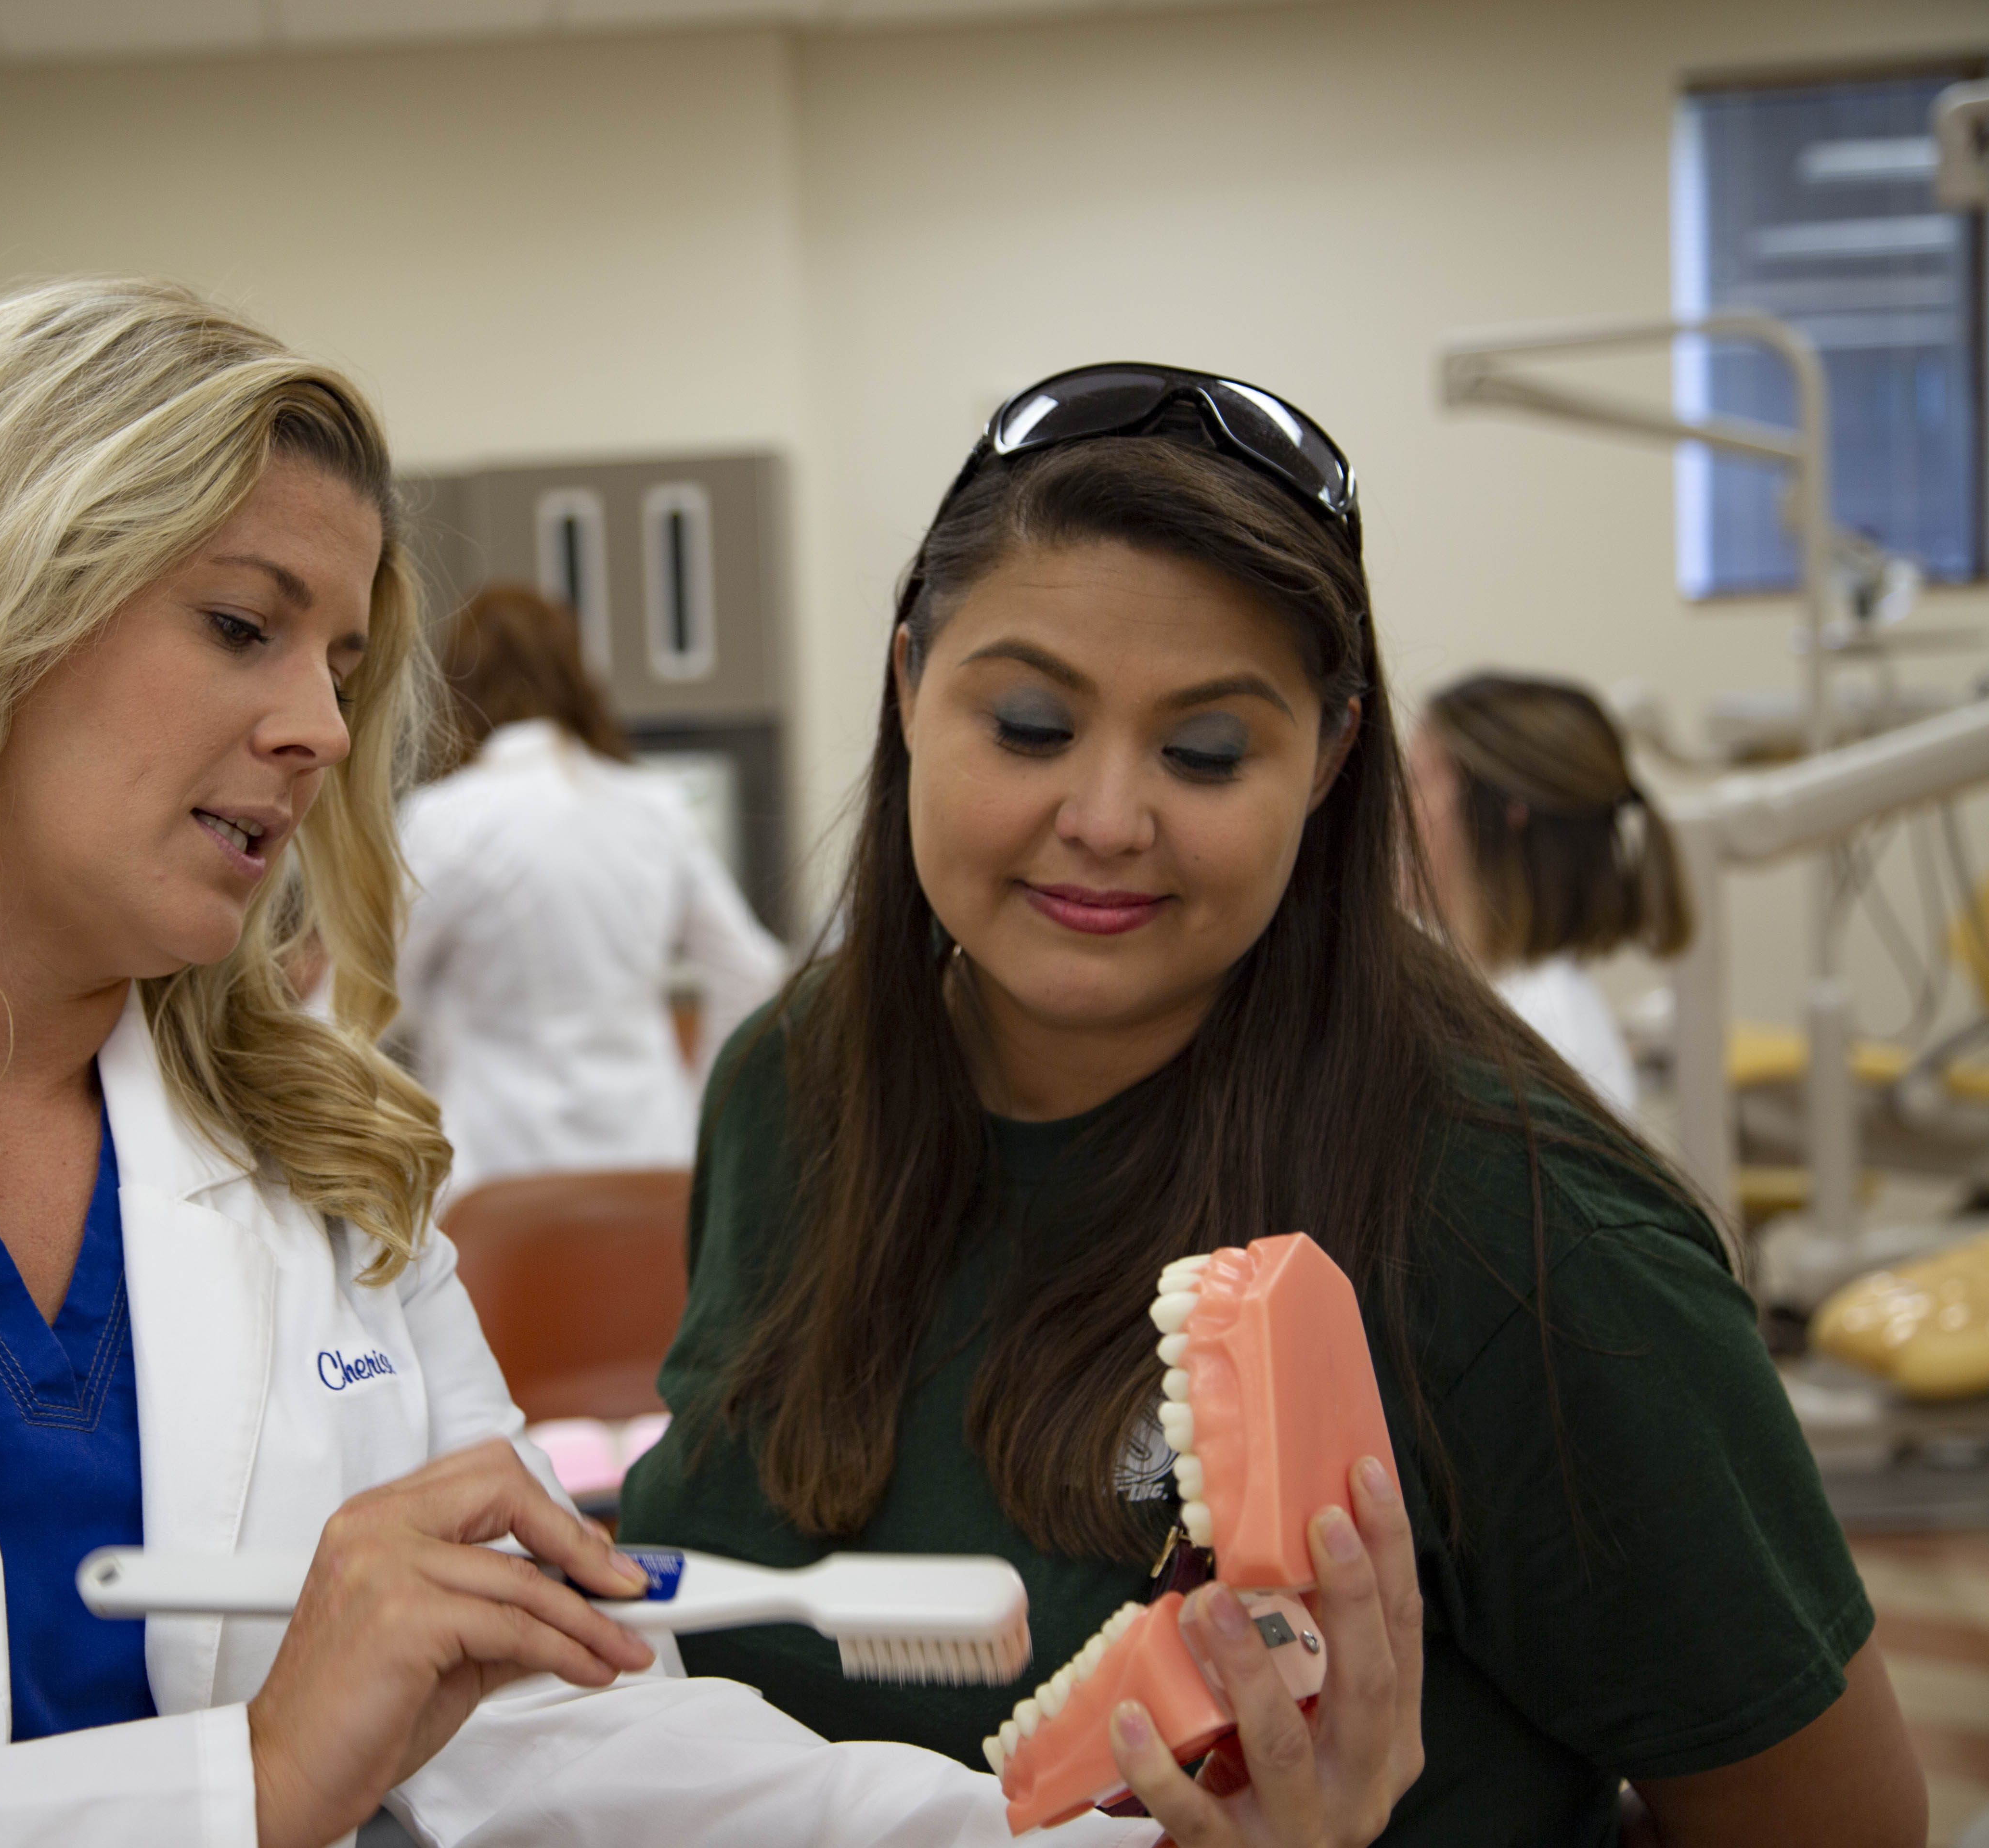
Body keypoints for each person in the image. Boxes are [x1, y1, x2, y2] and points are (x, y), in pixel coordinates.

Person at [0, 288, 1415, 1848]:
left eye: (345, 656)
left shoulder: (300, 1167)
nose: (316, 721)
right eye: (242, 621)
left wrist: (1083, 1838)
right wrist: (248, 1787)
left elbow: (555, 1742)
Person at [617, 363, 1926, 1847]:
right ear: (913, 685)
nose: (1107, 816)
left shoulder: (1519, 1228)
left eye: (1209, 749)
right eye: (1033, 723)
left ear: (1331, 755)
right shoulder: (794, 1083)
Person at [397, 585, 783, 1200]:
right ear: (579, 675)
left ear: (456, 691)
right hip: (654, 1166)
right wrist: (699, 1118)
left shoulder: (443, 822)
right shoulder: (654, 808)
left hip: (494, 1184)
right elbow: (752, 972)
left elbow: (367, 999)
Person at [1405, 673, 1690, 1118]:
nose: (1391, 807)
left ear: (1503, 814)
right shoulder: (1459, 988)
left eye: (1416, 780)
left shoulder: (1541, 1042)